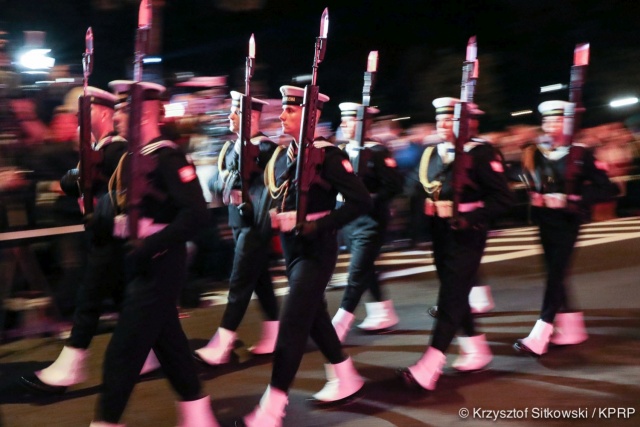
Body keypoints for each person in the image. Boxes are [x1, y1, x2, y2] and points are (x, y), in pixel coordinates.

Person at [19, 86, 164, 395]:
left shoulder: (116, 150)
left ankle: (71, 366)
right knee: (127, 300)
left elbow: (88, 180)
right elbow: (69, 182)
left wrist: (85, 168)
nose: (77, 122)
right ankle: (151, 354)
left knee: (89, 300)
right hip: (105, 236)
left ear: (101, 114)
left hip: (112, 239)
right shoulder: (98, 151)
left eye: (82, 115)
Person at [241, 86, 372, 427]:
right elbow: (274, 195)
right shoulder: (285, 155)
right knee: (314, 316)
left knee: (293, 322)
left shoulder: (328, 156)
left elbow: (360, 201)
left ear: (311, 115)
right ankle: (346, 376)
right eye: (283, 110)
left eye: (291, 111)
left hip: (317, 248)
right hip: (291, 248)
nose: (281, 116)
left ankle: (272, 407)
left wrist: (320, 224)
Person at [90, 81, 218, 426]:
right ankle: (199, 415)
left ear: (145, 113)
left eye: (123, 109)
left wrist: (152, 244)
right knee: (170, 345)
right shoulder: (134, 158)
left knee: (123, 351)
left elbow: (197, 214)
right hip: (139, 261)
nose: (116, 116)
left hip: (161, 262)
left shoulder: (167, 156)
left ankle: (105, 422)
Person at [397, 97, 513, 391]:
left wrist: (472, 216)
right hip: (441, 231)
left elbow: (502, 198)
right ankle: (476, 348)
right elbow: (415, 185)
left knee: (450, 296)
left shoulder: (482, 153)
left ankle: (430, 364)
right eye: (440, 119)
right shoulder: (432, 152)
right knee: (455, 292)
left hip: (468, 233)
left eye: (449, 119)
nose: (443, 124)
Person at [513, 100, 619, 357]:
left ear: (568, 123)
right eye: (546, 121)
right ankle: (572, 328)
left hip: (568, 221)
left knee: (555, 274)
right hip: (544, 220)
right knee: (554, 272)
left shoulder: (581, 153)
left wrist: (575, 198)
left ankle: (542, 330)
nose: (550, 125)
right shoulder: (535, 151)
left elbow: (609, 188)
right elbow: (529, 180)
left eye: (556, 120)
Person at [194, 91, 280, 365]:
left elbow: (275, 187)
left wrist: (246, 187)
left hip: (256, 223)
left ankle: (223, 342)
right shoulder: (230, 147)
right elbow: (215, 184)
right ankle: (274, 333)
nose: (230, 116)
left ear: (251, 116)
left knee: (239, 281)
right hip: (237, 221)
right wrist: (232, 184)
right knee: (260, 279)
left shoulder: (267, 149)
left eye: (236, 112)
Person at [331, 102, 403, 342]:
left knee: (357, 271)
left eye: (349, 119)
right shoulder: (340, 150)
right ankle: (383, 312)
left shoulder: (378, 152)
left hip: (370, 220)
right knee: (366, 269)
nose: (343, 123)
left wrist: (367, 199)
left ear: (364, 123)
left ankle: (340, 323)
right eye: (343, 119)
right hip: (348, 220)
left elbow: (393, 186)